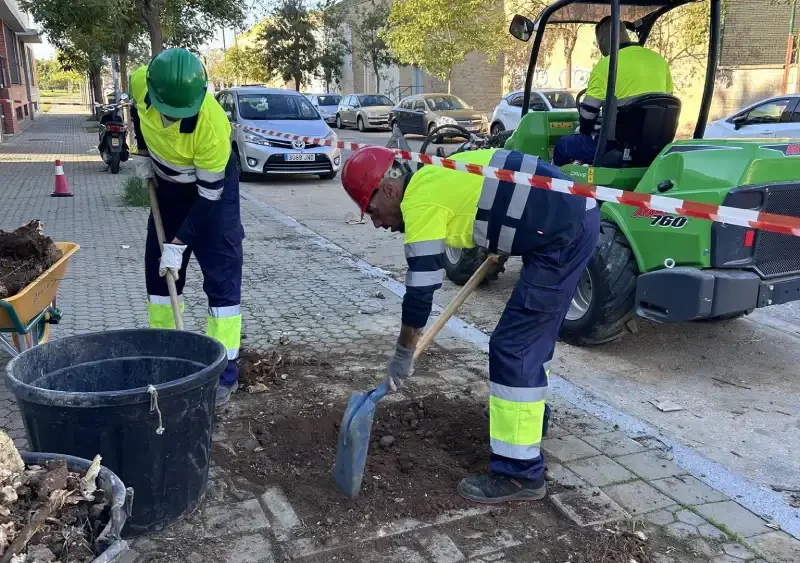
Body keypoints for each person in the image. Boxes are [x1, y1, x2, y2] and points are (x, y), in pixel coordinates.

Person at [341, 146, 600, 503]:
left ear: (388, 190)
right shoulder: (435, 172)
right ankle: (527, 421)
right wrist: (503, 240)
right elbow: (498, 191)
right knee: (529, 340)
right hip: (569, 216)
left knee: (514, 347)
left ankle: (518, 474)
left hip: (564, 233)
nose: (377, 222)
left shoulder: (419, 201)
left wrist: (403, 353)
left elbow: (420, 293)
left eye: (371, 211)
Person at [129, 48, 244, 407]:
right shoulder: (141, 83)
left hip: (212, 197)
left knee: (222, 283)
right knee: (159, 280)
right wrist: (144, 153)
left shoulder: (211, 124)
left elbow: (209, 198)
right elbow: (135, 113)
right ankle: (166, 360)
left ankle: (224, 373)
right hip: (167, 191)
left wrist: (178, 244)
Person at [552, 16, 673, 166]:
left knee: (564, 145)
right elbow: (667, 101)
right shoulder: (659, 60)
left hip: (619, 147)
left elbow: (588, 114)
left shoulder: (606, 65)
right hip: (654, 147)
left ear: (603, 41)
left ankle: (553, 186)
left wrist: (586, 129)